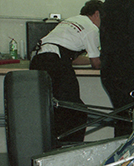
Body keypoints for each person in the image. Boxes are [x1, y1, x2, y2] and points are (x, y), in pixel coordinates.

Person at [30, 0, 103, 144]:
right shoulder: (92, 28)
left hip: (39, 59)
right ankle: (69, 149)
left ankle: (53, 147)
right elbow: (96, 63)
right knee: (75, 110)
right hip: (54, 62)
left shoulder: (70, 21)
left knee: (54, 109)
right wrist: (108, 61)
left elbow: (72, 60)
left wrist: (92, 59)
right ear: (97, 13)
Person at [99, 0, 134, 138]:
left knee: (121, 118)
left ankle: (120, 154)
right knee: (132, 121)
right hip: (127, 70)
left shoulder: (107, 4)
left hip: (108, 69)